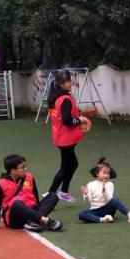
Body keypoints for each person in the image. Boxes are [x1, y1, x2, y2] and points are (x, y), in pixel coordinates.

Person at [46, 70, 91, 203]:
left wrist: (77, 115)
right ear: (62, 84)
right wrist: (80, 120)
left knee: (71, 165)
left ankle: (63, 192)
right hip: (65, 138)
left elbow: (62, 116)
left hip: (61, 136)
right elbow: (67, 120)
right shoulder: (64, 99)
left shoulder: (55, 96)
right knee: (67, 167)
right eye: (68, 82)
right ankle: (51, 194)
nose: (71, 84)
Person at [0, 154, 63, 233]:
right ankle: (47, 221)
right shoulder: (0, 184)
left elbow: (35, 196)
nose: (25, 169)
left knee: (53, 196)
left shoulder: (29, 177)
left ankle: (33, 221)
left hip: (31, 210)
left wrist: (38, 210)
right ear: (13, 170)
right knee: (16, 203)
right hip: (14, 218)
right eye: (22, 167)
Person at [78, 157, 130, 224]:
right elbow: (88, 201)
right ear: (97, 173)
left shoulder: (110, 184)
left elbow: (109, 200)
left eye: (108, 173)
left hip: (108, 210)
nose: (106, 175)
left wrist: (104, 192)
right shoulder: (90, 185)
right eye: (104, 173)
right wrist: (86, 194)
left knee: (115, 200)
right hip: (95, 211)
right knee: (81, 214)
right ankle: (102, 219)